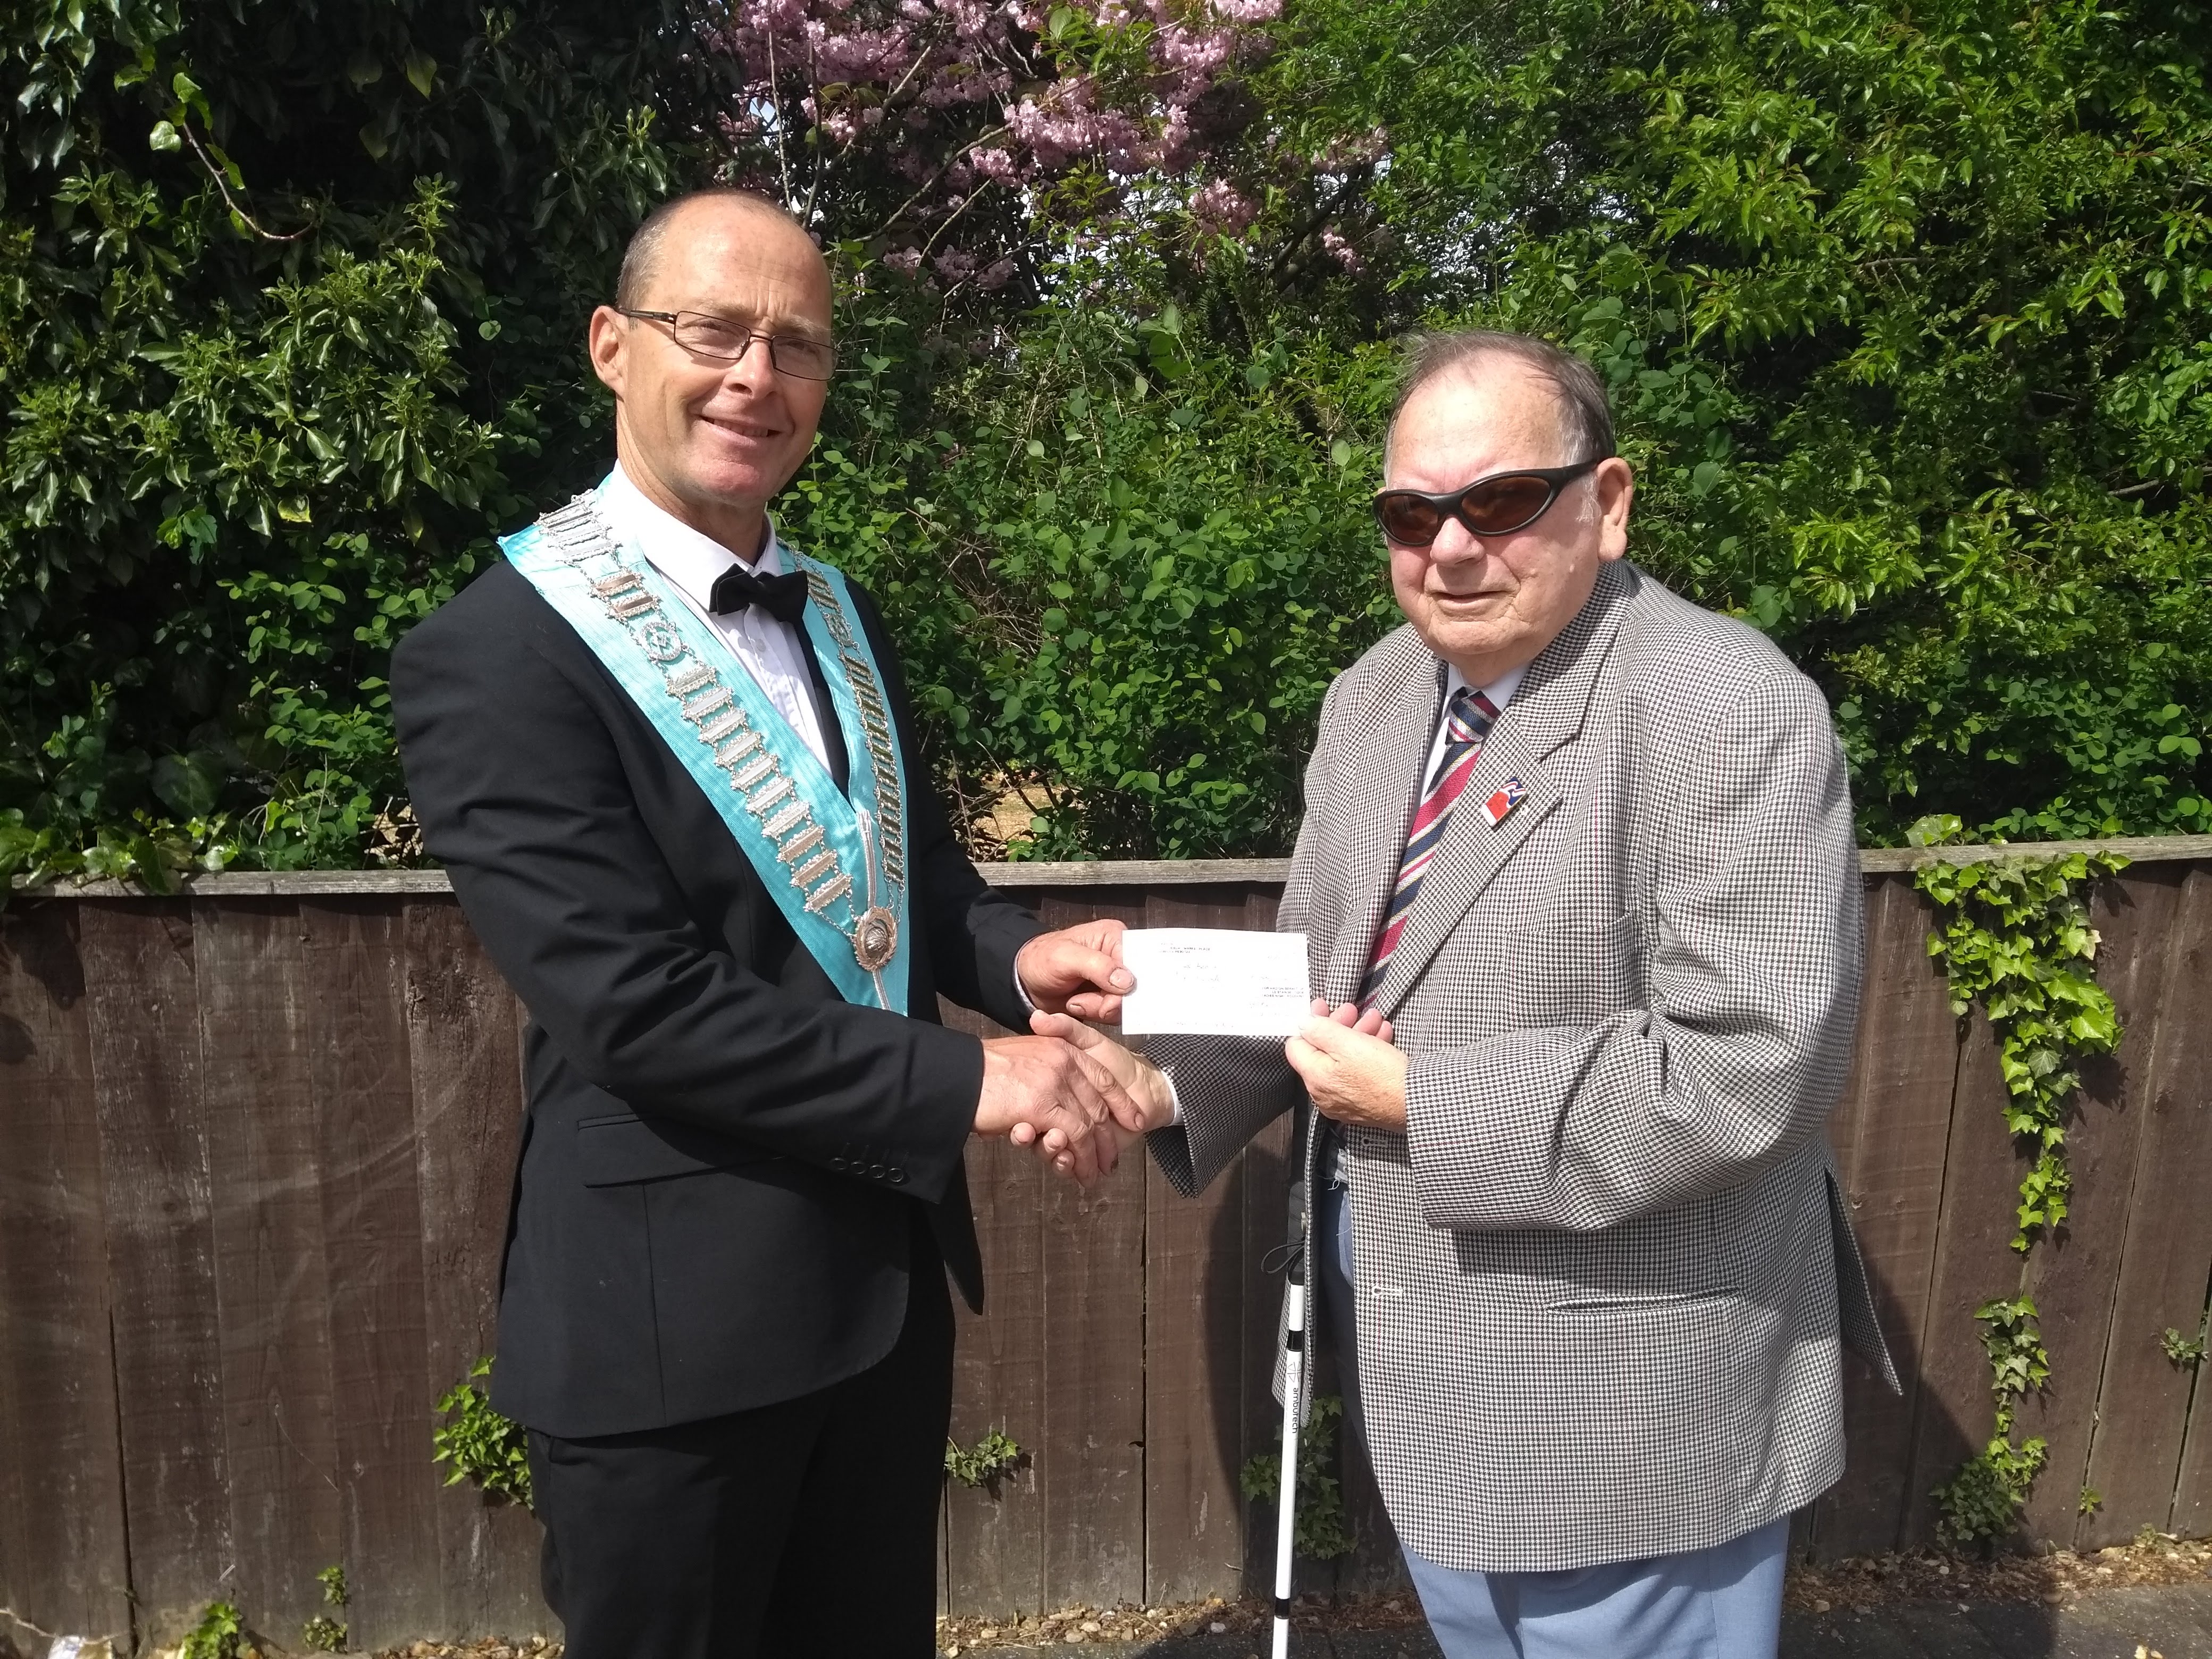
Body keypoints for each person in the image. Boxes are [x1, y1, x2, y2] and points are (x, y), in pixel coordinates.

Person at [1056, 329, 1897, 1659]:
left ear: (1606, 503)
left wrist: (1419, 1097)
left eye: (1500, 502)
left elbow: (1754, 1062)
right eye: (1411, 512)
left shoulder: (1728, 707)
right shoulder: (1380, 694)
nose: (1449, 548)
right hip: (1429, 1375)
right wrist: (1161, 1078)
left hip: (1631, 1407)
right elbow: (1324, 965)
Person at [391, 188, 1140, 1659]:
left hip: (878, 1292)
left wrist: (1012, 958)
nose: (757, 376)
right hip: (672, 1337)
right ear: (613, 346)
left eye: (796, 345)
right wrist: (975, 1077)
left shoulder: (837, 611)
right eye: (713, 332)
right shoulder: (496, 652)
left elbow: (913, 889)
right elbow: (635, 1005)